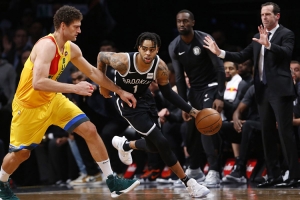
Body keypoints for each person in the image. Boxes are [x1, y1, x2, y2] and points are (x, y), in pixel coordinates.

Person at [0, 6, 140, 200]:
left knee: (90, 130)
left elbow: (92, 72)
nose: (79, 30)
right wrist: (75, 88)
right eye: (76, 26)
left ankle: (112, 181)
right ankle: (1, 183)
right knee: (22, 155)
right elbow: (38, 82)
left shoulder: (71, 48)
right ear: (63, 26)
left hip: (53, 99)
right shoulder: (45, 46)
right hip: (28, 106)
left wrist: (120, 91)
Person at [97, 32, 210, 198]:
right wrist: (103, 85)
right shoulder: (122, 61)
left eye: (152, 49)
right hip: (127, 103)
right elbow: (101, 57)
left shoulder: (160, 67)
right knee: (162, 142)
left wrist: (192, 110)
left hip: (146, 100)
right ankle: (189, 183)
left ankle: (126, 145)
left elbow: (169, 94)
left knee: (154, 147)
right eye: (144, 49)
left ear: (157, 49)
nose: (148, 53)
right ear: (139, 48)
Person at [203, 2, 300, 188]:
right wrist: (220, 52)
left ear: (277, 16)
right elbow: (241, 56)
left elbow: (287, 53)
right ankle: (274, 176)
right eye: (262, 14)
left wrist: (269, 44)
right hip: (262, 92)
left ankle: (295, 176)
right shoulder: (257, 37)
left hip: (280, 92)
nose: (264, 17)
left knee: (285, 133)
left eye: (268, 14)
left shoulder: (286, 34)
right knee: (267, 135)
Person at [168, 9, 226, 187]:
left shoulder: (204, 39)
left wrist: (220, 96)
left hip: (211, 87)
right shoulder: (174, 46)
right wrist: (184, 105)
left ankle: (214, 170)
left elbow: (219, 68)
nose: (182, 24)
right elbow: (179, 78)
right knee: (190, 127)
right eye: (179, 21)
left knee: (205, 125)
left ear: (193, 22)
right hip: (194, 90)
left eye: (185, 21)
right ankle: (194, 168)